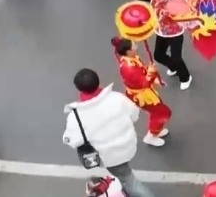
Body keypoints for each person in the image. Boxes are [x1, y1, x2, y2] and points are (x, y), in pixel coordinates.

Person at [63, 68, 157, 197]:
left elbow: (73, 141)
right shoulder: (117, 98)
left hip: (110, 156)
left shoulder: (76, 116)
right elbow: (134, 114)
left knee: (129, 181)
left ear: (79, 88)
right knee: (127, 177)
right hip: (128, 145)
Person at [111, 37, 172, 147]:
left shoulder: (132, 59)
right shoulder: (129, 68)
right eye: (134, 46)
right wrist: (152, 72)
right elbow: (145, 83)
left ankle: (156, 130)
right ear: (128, 51)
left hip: (143, 91)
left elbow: (142, 72)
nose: (136, 46)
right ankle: (151, 135)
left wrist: (153, 77)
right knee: (162, 113)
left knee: (158, 112)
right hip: (141, 96)